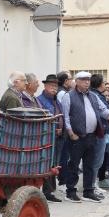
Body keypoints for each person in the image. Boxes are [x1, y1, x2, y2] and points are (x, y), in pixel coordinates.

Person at [59, 71, 109, 203]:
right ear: (77, 81)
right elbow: (65, 116)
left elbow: (102, 109)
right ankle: (70, 191)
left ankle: (88, 191)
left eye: (88, 80)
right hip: (76, 136)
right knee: (73, 165)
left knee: (89, 165)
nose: (87, 82)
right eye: (84, 80)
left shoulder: (93, 96)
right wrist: (70, 132)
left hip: (91, 136)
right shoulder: (69, 96)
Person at [37, 74, 63, 202]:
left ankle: (50, 191)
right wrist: (54, 128)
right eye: (51, 85)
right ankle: (47, 192)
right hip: (46, 136)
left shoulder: (56, 100)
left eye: (56, 86)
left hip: (58, 136)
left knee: (54, 163)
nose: (54, 88)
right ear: (45, 86)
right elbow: (42, 117)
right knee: (47, 163)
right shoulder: (40, 100)